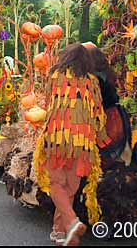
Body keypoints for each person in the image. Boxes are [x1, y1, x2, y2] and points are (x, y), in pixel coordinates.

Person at [33, 43, 110, 246]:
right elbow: (98, 113)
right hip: (83, 142)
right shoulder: (92, 81)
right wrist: (101, 139)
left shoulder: (55, 77)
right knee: (69, 188)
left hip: (57, 139)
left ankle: (72, 222)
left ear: (65, 57)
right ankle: (60, 233)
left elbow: (49, 105)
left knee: (56, 184)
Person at [85, 44, 132, 168]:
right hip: (116, 114)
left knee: (106, 154)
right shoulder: (105, 72)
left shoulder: (94, 77)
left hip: (107, 118)